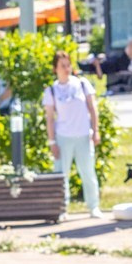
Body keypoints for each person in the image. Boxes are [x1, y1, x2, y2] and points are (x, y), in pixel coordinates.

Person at [41, 50, 102, 216]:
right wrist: (52, 142)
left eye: (68, 65)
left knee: (88, 173)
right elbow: (50, 118)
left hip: (83, 134)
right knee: (62, 174)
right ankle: (62, 208)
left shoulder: (82, 84)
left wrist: (95, 130)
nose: (66, 69)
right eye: (62, 66)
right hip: (63, 137)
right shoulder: (51, 91)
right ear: (55, 69)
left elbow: (92, 108)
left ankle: (93, 206)